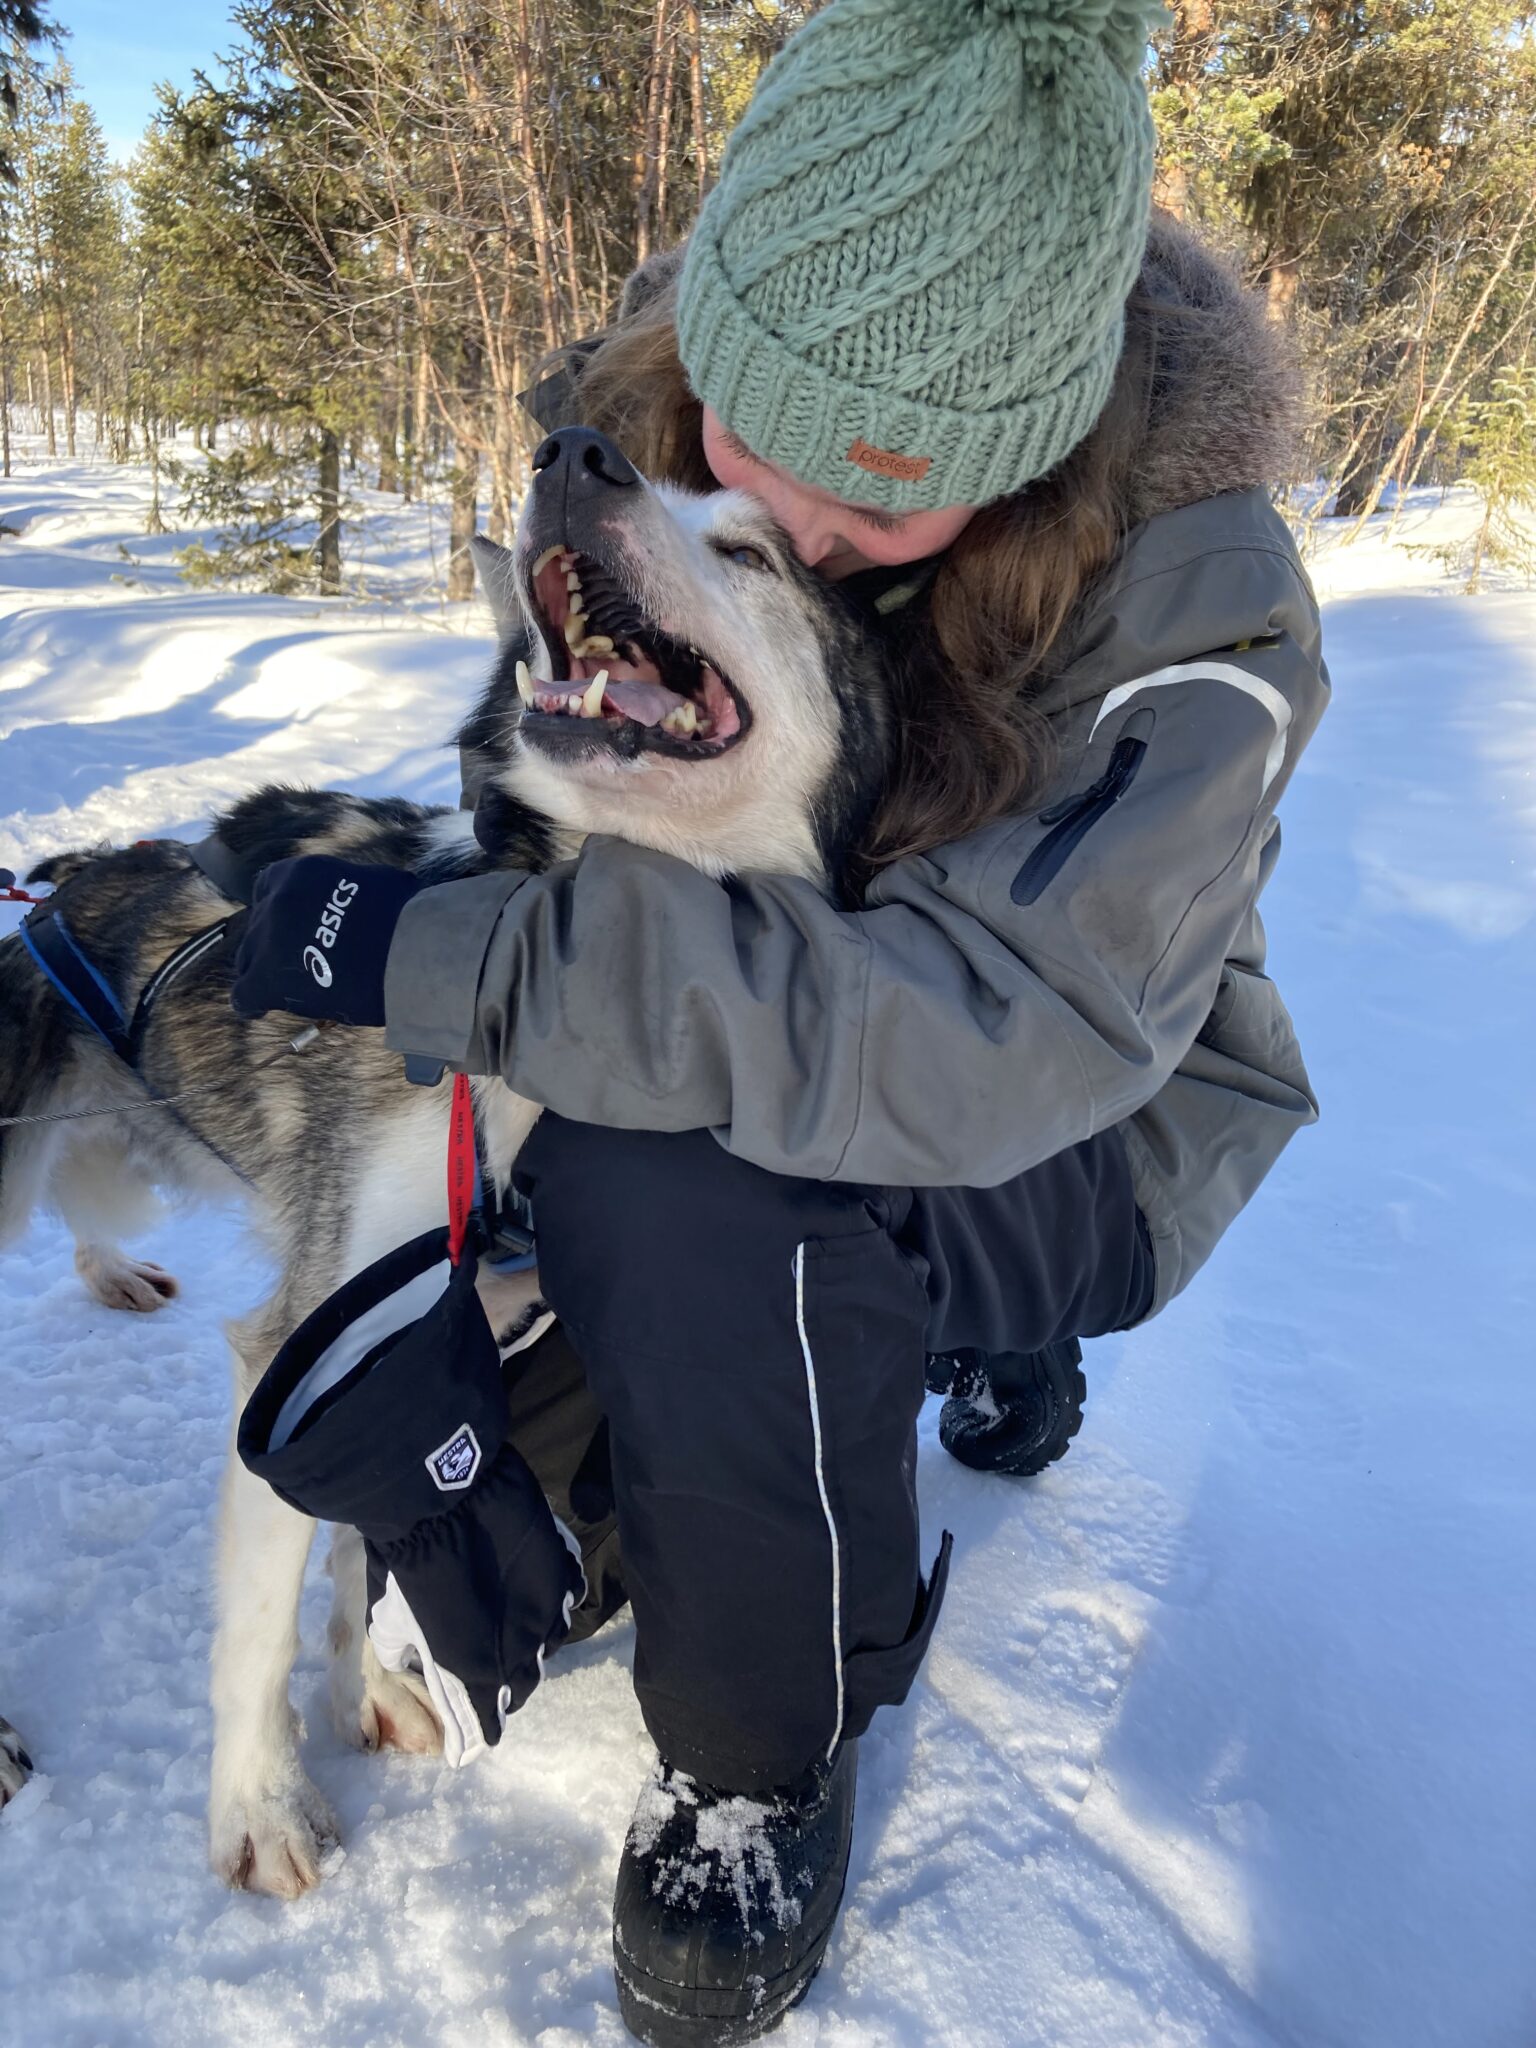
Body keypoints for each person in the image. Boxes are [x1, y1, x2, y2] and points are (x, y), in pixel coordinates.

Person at [229, 0, 1327, 2040]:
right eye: (755, 436)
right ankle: (738, 1427)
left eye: (886, 488)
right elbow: (579, 747)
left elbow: (994, 1031)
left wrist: (477, 968)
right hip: (796, 1004)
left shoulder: (1202, 602)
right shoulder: (653, 386)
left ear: (1033, 445)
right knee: (617, 1262)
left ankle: (756, 1758)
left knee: (699, 1179)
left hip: (1099, 1105)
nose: (800, 516)